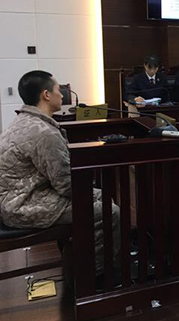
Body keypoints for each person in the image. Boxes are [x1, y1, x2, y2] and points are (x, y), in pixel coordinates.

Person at [0, 70, 119, 273]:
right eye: (58, 90)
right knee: (109, 211)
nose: (62, 95)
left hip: (16, 199)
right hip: (23, 206)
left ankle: (81, 256)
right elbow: (66, 184)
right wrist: (92, 191)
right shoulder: (43, 132)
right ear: (46, 95)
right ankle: (96, 275)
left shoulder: (24, 121)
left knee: (101, 197)